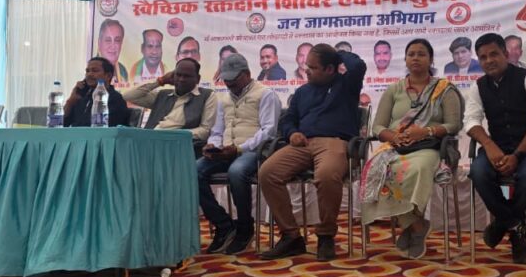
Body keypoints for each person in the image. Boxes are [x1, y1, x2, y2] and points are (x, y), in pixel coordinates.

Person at [258, 44, 366, 260]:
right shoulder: (302, 92)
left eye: (313, 67)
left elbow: (358, 65)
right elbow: (288, 120)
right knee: (267, 172)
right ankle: (291, 237)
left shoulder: (346, 85)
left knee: (326, 175)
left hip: (334, 142)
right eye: (307, 66)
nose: (307, 71)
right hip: (303, 143)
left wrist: (335, 54)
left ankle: (325, 236)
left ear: (330, 69)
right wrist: (292, 133)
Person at [361, 39, 462, 259]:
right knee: (377, 171)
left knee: (418, 168)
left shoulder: (444, 89)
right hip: (395, 147)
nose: (415, 58)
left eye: (421, 54)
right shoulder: (394, 89)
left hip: (428, 147)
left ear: (431, 59)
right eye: (411, 54)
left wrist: (425, 131)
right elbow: (378, 126)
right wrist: (393, 136)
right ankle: (415, 225)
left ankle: (410, 225)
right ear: (406, 59)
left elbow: (454, 125)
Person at [465, 33, 526, 264]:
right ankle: (516, 224)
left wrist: (517, 155)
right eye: (483, 57)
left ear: (506, 54)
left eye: (494, 54)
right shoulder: (478, 87)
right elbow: (471, 121)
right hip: (498, 147)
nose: (489, 61)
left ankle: (502, 223)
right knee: (478, 172)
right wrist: (489, 146)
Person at [198, 54, 281, 255]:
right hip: (226, 151)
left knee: (236, 171)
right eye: (226, 79)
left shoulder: (266, 94)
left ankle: (245, 227)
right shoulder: (224, 99)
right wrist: (213, 146)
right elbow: (218, 130)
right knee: (193, 170)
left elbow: (269, 131)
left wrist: (240, 148)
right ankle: (224, 224)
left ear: (247, 74)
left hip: (254, 151)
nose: (229, 83)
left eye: (233, 79)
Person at [123, 58, 217, 147]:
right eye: (178, 75)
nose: (181, 79)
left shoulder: (206, 96)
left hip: (179, 145)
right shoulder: (163, 95)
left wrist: (170, 135)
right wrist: (160, 81)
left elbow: (205, 131)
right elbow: (128, 96)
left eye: (187, 76)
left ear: (198, 79)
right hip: (149, 143)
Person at [63, 57, 130, 127]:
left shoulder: (115, 99)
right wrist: (70, 102)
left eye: (95, 71)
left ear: (108, 76)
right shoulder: (82, 98)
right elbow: (61, 124)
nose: (89, 74)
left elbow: (102, 127)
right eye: (87, 71)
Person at [96, 19, 128, 83]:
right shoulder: (92, 69)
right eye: (108, 40)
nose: (113, 46)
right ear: (99, 43)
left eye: (117, 40)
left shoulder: (122, 71)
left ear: (121, 44)